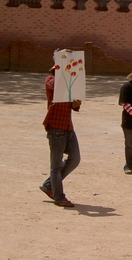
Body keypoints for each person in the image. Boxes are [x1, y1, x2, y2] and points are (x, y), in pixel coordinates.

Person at [40, 64, 82, 207]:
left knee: (75, 158)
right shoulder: (51, 80)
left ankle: (49, 185)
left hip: (67, 127)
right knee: (56, 165)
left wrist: (76, 103)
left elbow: (73, 105)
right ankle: (59, 196)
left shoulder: (69, 82)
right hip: (56, 128)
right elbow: (55, 86)